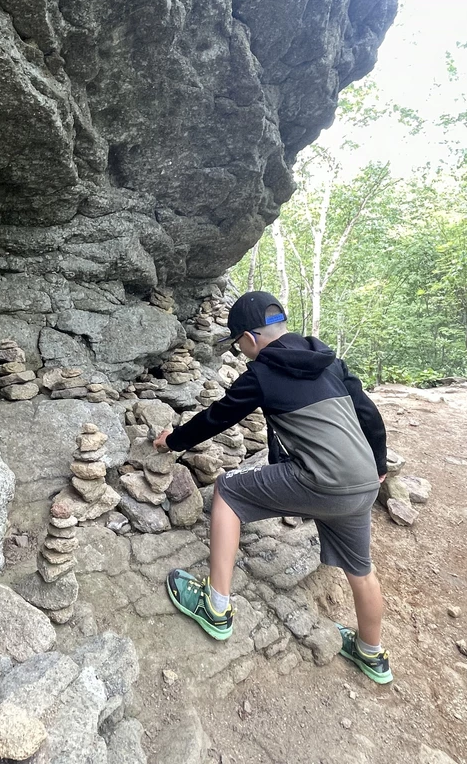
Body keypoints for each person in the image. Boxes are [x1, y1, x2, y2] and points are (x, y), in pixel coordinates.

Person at [154, 291, 392, 684]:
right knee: (362, 570)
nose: (241, 352)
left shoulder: (262, 374)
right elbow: (369, 414)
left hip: (321, 481)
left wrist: (173, 440)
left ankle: (215, 607)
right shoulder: (331, 362)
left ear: (249, 338)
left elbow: (217, 418)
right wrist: (379, 466)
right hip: (363, 482)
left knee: (229, 491)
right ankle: (372, 655)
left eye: (238, 345)